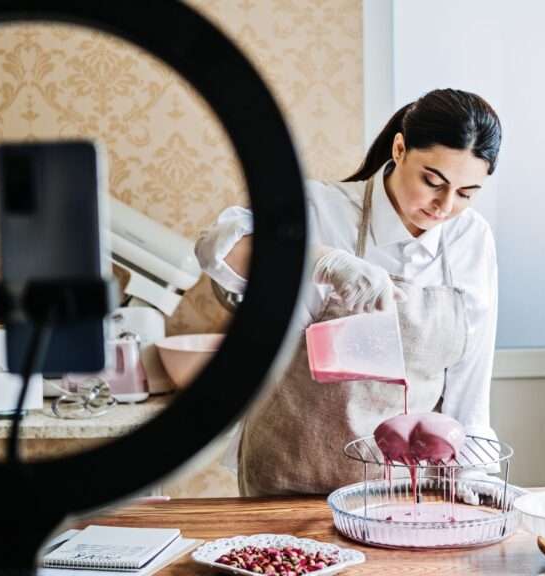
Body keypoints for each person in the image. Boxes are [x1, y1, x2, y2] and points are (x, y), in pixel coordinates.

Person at [195, 88, 502, 496]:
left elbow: (470, 376)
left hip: (400, 491)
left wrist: (470, 475)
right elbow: (215, 247)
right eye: (432, 181)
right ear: (399, 148)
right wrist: (320, 260)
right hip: (291, 480)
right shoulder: (322, 208)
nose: (444, 206)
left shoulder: (471, 239)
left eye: (466, 194)